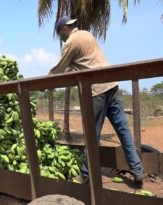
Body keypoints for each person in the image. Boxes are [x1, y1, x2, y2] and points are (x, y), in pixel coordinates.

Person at [49, 16, 144, 183]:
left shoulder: (71, 42)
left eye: (60, 34)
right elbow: (84, 63)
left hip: (96, 91)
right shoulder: (87, 34)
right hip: (112, 86)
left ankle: (86, 175)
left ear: (64, 29)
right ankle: (137, 169)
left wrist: (45, 81)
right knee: (122, 129)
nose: (61, 38)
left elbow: (60, 69)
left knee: (92, 135)